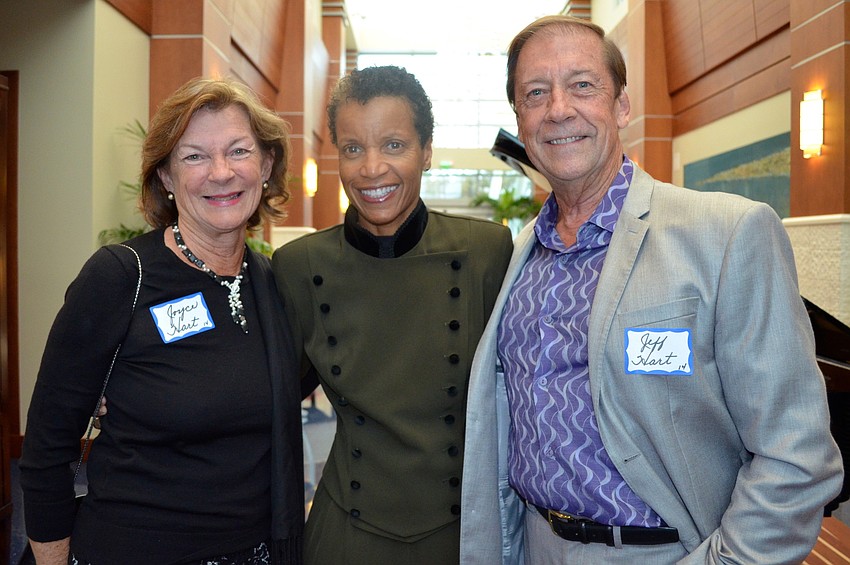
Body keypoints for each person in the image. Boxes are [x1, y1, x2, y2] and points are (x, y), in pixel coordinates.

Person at [460, 15, 844, 564]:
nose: (559, 108)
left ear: (621, 105)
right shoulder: (521, 254)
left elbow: (798, 456)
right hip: (534, 546)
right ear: (520, 121)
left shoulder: (727, 235)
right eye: (535, 93)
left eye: (583, 85)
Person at [20, 76, 305, 565]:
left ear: (266, 164)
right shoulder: (119, 277)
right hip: (135, 548)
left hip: (257, 550)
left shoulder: (273, 284)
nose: (221, 173)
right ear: (167, 178)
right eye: (194, 156)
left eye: (239, 151)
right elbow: (48, 444)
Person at [271, 65, 513, 564]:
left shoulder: (486, 251)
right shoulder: (300, 266)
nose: (371, 168)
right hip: (345, 531)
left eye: (394, 145)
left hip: (461, 531)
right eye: (353, 148)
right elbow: (263, 400)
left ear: (427, 151)